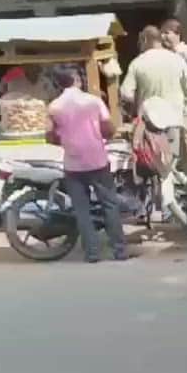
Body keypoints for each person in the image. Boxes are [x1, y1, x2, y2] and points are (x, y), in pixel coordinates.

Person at [47, 65, 127, 263]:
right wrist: (97, 135)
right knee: (109, 205)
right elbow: (109, 129)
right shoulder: (93, 101)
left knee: (82, 210)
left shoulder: (54, 107)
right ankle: (120, 250)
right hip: (98, 160)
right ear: (76, 79)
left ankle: (92, 253)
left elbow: (49, 136)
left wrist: (66, 139)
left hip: (73, 164)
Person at [121, 25, 187, 224]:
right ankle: (168, 207)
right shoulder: (177, 60)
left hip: (149, 126)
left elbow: (126, 94)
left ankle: (153, 205)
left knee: (148, 165)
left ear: (145, 40)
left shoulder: (137, 63)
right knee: (169, 165)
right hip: (174, 122)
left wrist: (140, 98)